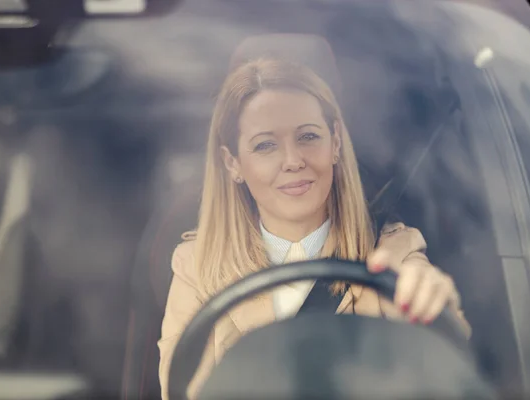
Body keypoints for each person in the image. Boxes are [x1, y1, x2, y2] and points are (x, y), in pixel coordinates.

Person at [158, 58, 471, 399]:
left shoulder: (392, 253)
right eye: (266, 144)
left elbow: (440, 362)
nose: (293, 160)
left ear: (335, 143)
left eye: (308, 136)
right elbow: (184, 391)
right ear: (233, 163)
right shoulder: (196, 266)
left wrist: (430, 303)